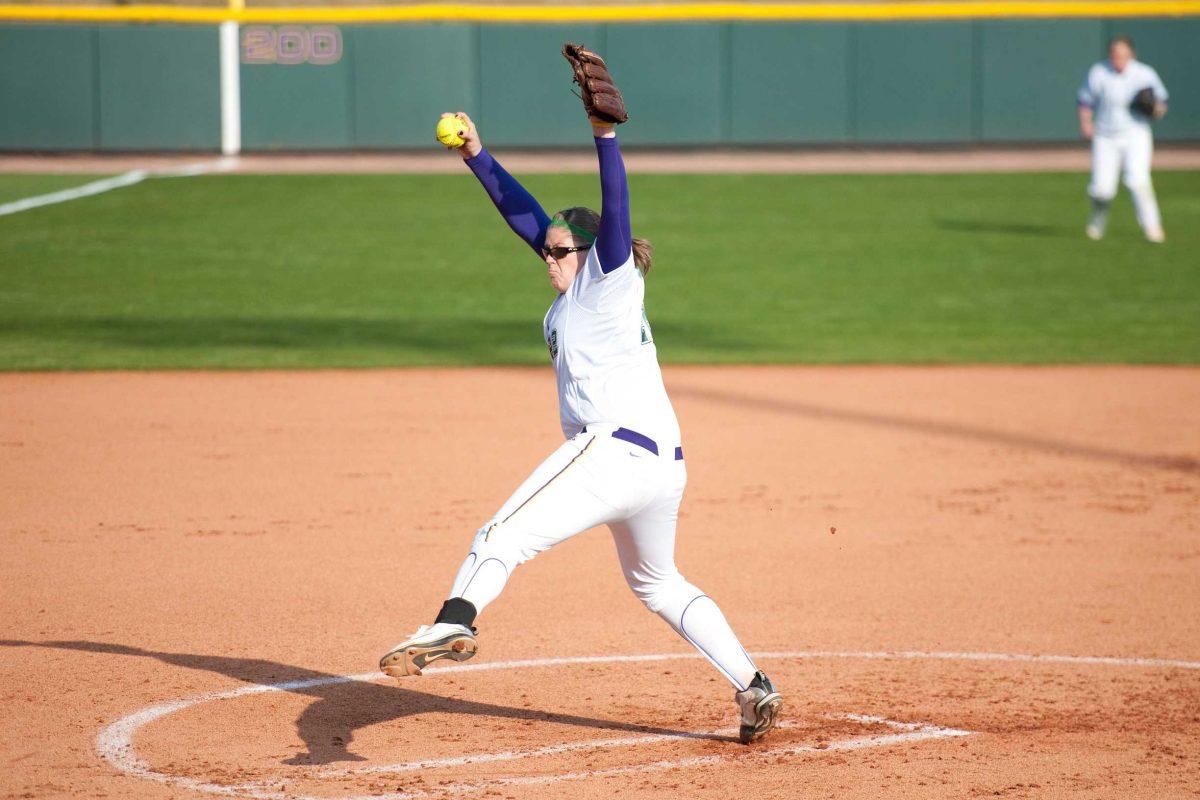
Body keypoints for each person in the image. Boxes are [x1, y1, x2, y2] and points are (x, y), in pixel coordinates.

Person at [378, 97, 783, 745]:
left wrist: (605, 135)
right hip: (660, 467)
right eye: (547, 250)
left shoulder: (608, 279)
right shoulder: (573, 290)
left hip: (611, 453)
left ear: (594, 254)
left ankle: (455, 620)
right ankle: (753, 685)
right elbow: (526, 217)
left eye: (561, 250)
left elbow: (614, 210)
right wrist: (475, 155)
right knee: (658, 583)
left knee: (501, 534)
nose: (547, 256)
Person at [1077, 35, 1169, 243]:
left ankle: (1152, 227)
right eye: (1115, 54)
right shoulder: (1099, 72)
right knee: (1102, 189)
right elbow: (1084, 99)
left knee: (1138, 181)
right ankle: (1098, 219)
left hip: (1135, 134)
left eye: (1123, 55)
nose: (1119, 58)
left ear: (1131, 55)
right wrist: (1086, 123)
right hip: (1105, 135)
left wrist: (1155, 110)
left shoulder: (1144, 74)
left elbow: (1162, 102)